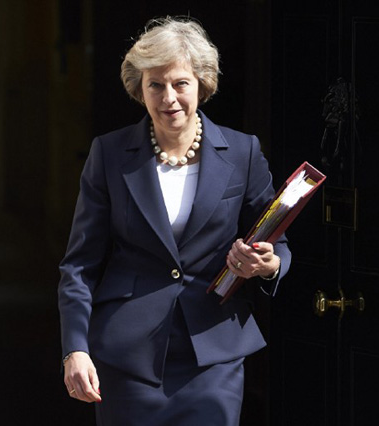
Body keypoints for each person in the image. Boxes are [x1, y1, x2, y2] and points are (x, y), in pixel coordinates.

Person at [58, 16, 291, 426]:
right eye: (156, 85)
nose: (169, 98)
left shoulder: (242, 152)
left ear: (202, 83)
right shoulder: (110, 154)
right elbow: (79, 265)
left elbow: (277, 242)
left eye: (180, 83)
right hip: (128, 357)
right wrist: (75, 348)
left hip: (213, 352)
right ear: (139, 90)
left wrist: (268, 265)